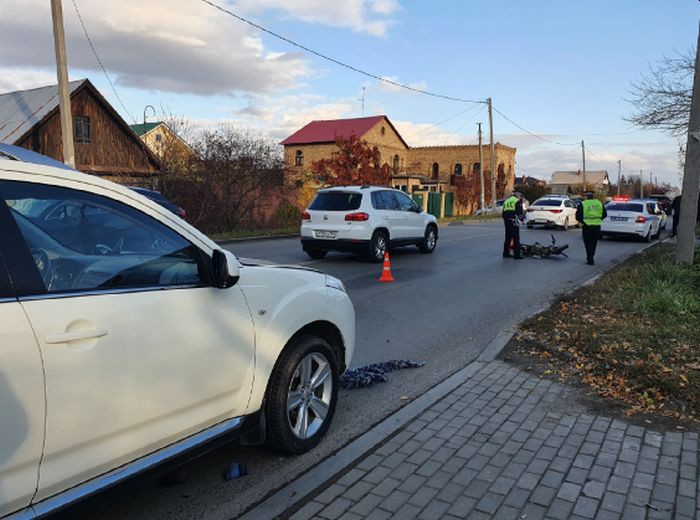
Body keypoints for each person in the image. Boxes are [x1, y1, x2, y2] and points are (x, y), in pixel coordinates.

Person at [575, 191, 606, 265]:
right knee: (594, 243)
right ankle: (591, 257)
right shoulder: (599, 203)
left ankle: (590, 259)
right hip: (597, 226)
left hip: (587, 226)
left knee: (588, 243)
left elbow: (578, 216)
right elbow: (604, 214)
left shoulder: (583, 204)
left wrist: (583, 222)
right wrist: (598, 219)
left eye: (584, 196)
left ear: (586, 197)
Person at [502, 191, 524, 260]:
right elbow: (519, 213)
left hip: (506, 221)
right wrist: (521, 220)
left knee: (507, 238)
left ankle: (506, 253)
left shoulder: (506, 201)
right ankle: (516, 255)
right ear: (519, 197)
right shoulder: (517, 201)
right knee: (516, 239)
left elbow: (503, 213)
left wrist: (506, 220)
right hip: (513, 221)